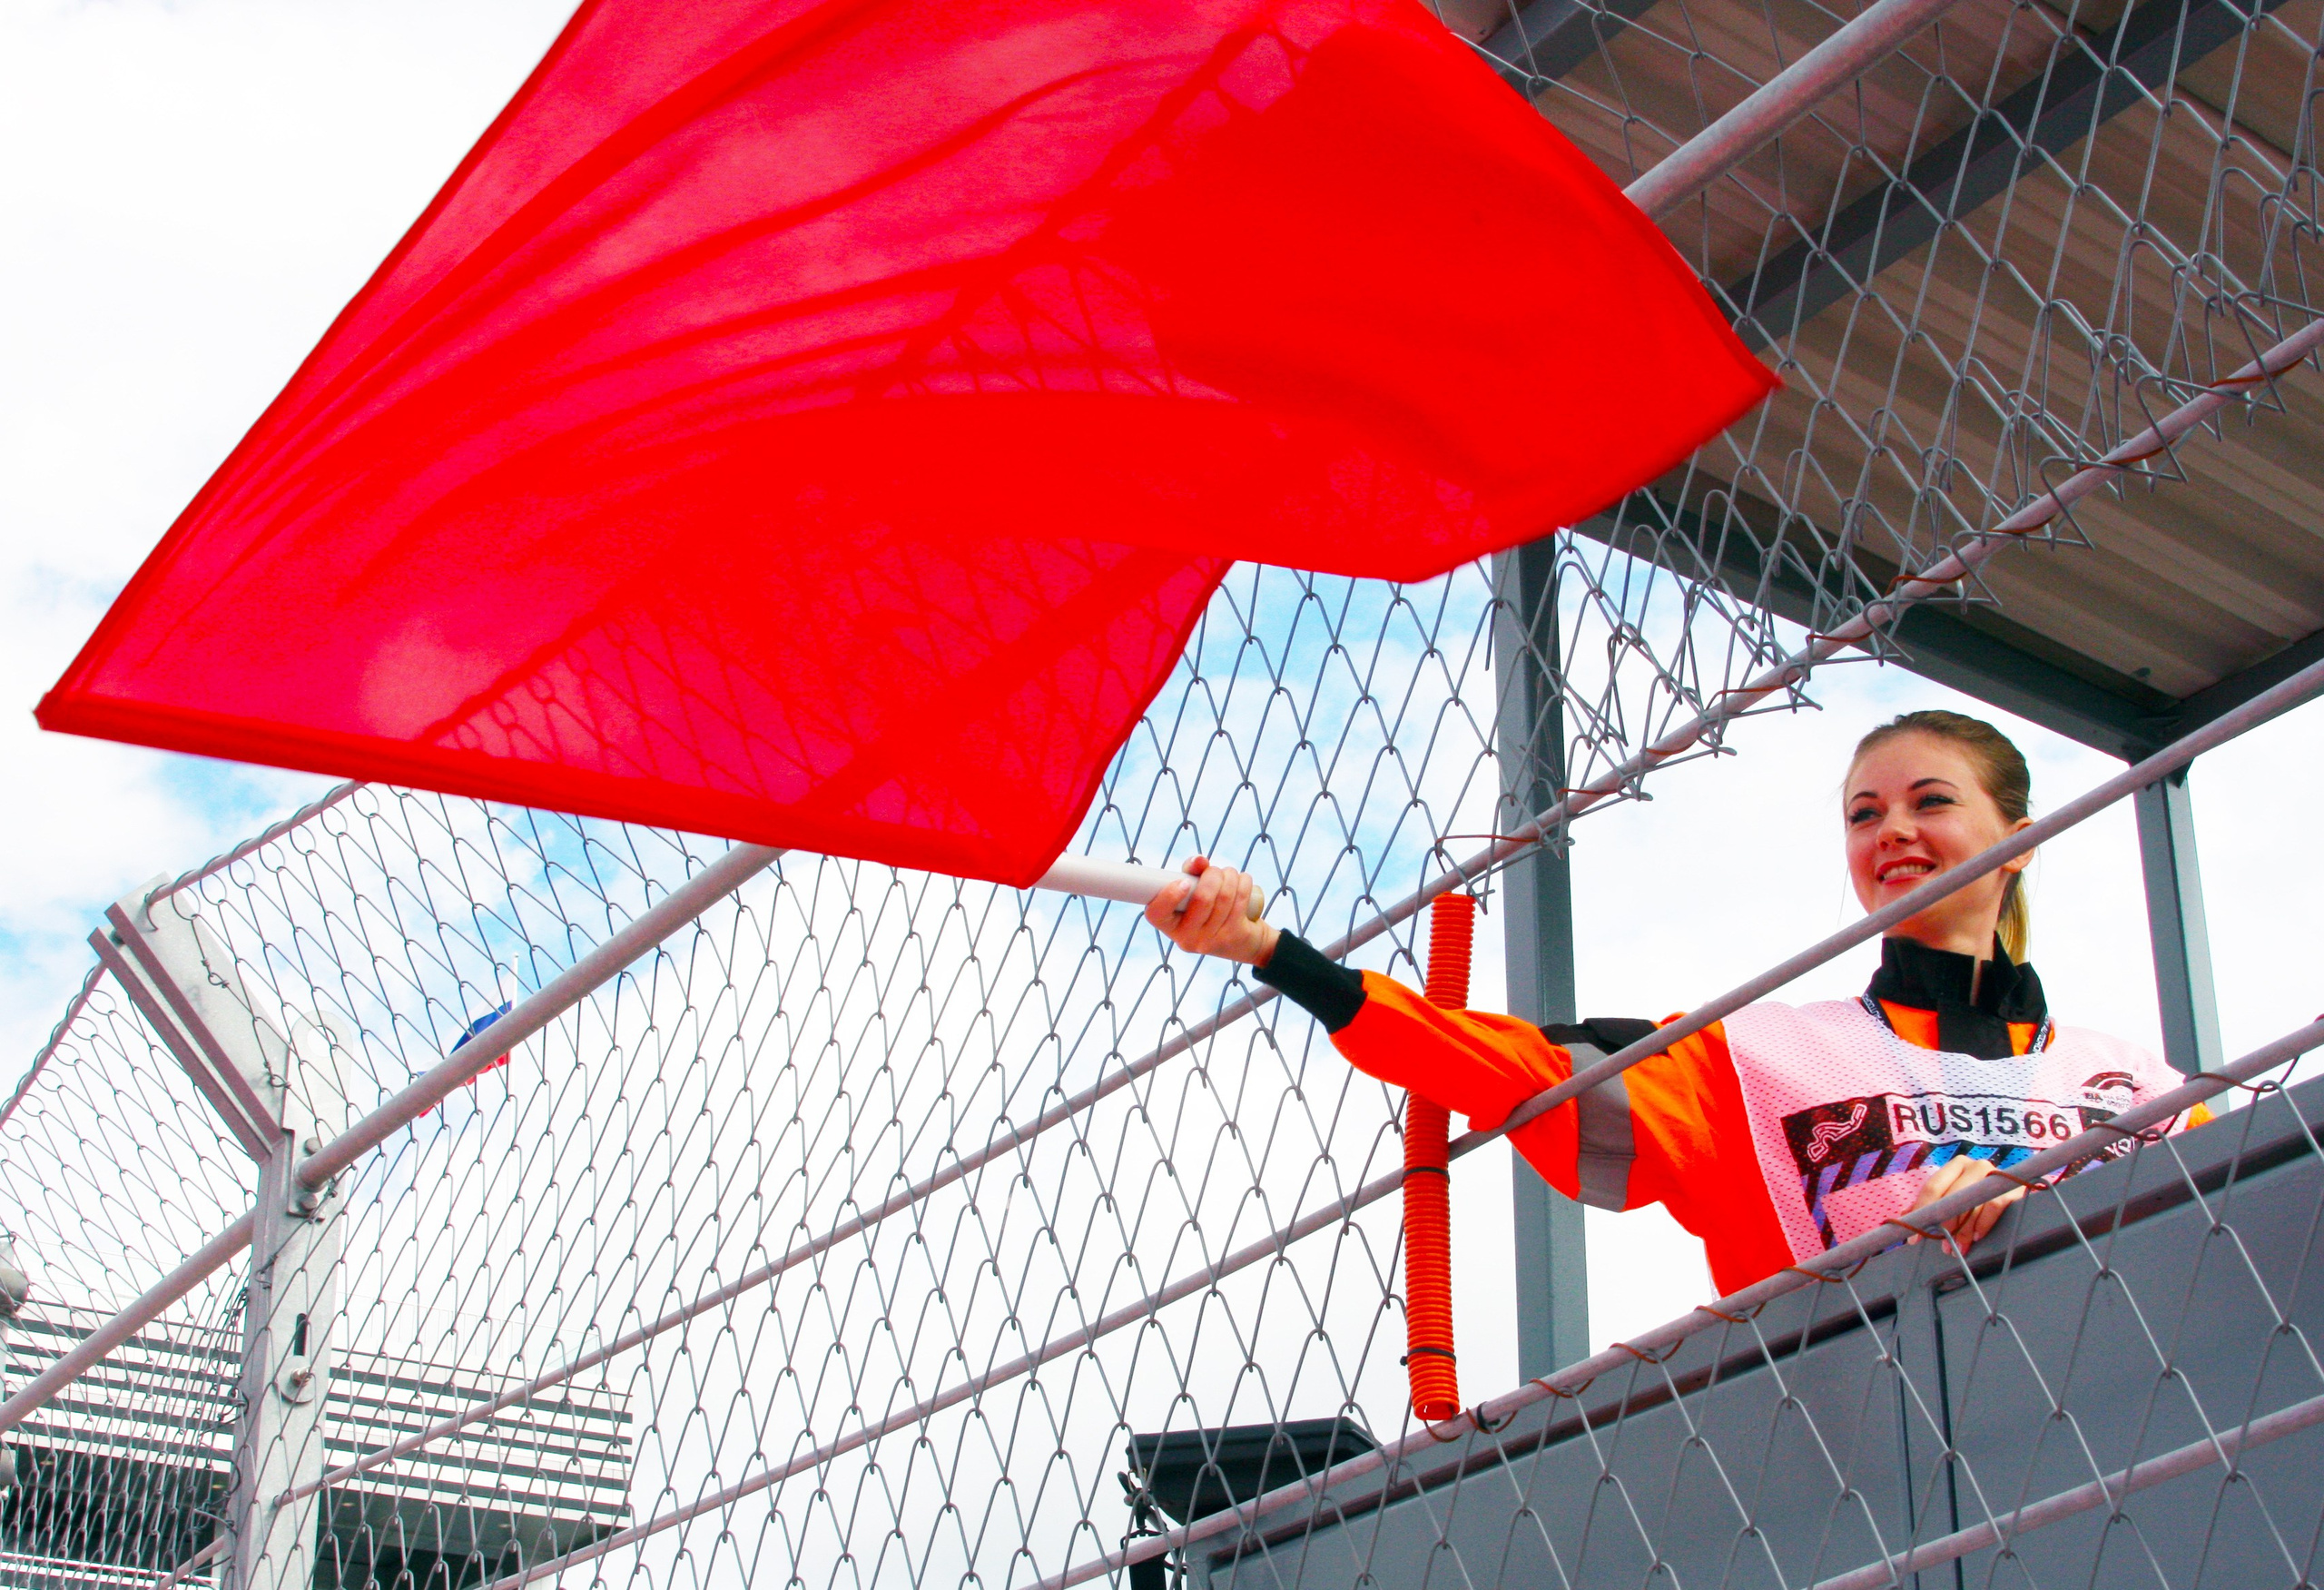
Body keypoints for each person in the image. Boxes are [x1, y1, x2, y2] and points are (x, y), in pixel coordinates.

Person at [1145, 710, 2207, 1297]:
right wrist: (1273, 952)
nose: (1890, 830)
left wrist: (2038, 1202)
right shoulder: (1756, 1055)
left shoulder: (2145, 1085)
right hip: (1857, 1473)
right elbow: (1506, 1063)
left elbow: (2220, 1255)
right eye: (1862, 813)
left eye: (1930, 801)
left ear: (2019, 837)